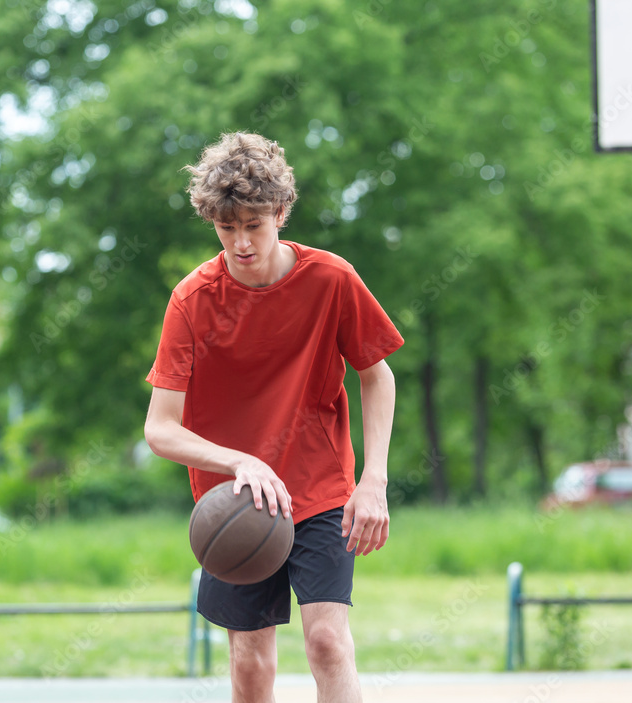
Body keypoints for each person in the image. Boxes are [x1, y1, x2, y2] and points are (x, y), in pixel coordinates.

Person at [144, 132, 403, 703]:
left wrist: (373, 481)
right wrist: (242, 462)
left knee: (328, 644)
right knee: (251, 662)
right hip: (236, 504)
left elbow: (376, 373)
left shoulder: (331, 279)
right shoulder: (192, 300)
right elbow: (159, 428)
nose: (240, 242)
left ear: (281, 212)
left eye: (254, 225)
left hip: (318, 488)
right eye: (226, 227)